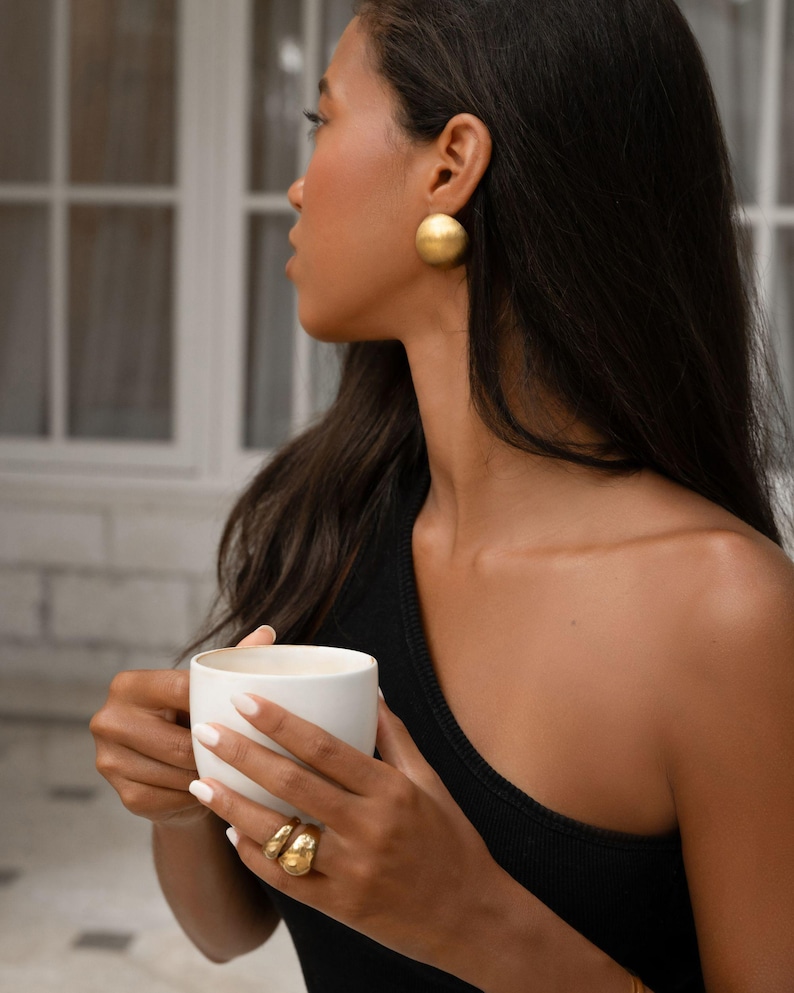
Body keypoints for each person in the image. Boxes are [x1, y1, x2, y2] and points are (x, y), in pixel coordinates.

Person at [90, 1, 794, 991]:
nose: (297, 184)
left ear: (450, 164)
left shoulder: (728, 612)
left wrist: (468, 918)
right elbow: (228, 929)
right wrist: (178, 805)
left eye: (324, 119)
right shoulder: (335, 519)